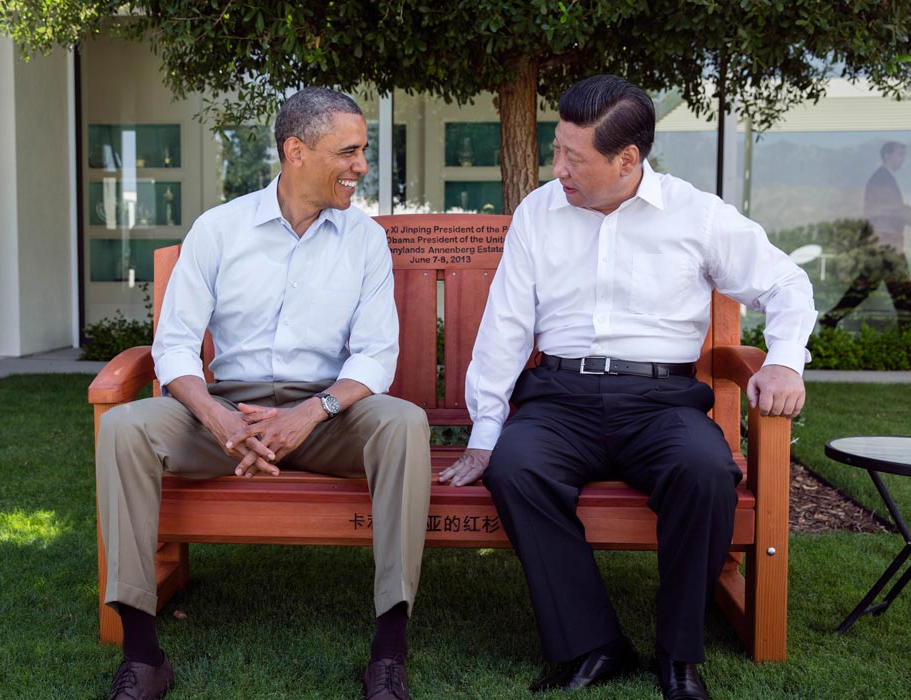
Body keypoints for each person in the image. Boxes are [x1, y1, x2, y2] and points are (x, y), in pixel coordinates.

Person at [438, 75, 816, 700]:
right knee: (516, 469)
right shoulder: (539, 212)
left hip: (662, 405)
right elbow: (506, 325)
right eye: (556, 149)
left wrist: (783, 362)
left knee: (705, 470)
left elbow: (787, 284)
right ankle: (594, 644)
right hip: (559, 401)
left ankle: (678, 657)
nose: (556, 168)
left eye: (573, 157)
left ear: (627, 160)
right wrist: (484, 434)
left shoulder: (696, 214)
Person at [96, 87, 431, 700]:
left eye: (364, 151)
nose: (361, 166)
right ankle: (142, 654)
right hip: (224, 413)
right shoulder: (219, 230)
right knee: (123, 427)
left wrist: (311, 412)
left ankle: (389, 650)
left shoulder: (363, 239)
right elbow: (173, 346)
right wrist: (218, 417)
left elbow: (377, 354)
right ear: (295, 151)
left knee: (403, 423)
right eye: (349, 151)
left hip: (328, 416)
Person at [820, 141, 911, 331]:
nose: (903, 160)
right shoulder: (882, 180)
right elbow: (886, 210)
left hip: (884, 247)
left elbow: (889, 207)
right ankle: (910, 337)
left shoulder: (884, 179)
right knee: (900, 294)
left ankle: (831, 319)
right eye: (900, 155)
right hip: (886, 247)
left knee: (870, 290)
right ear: (887, 156)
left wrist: (907, 212)